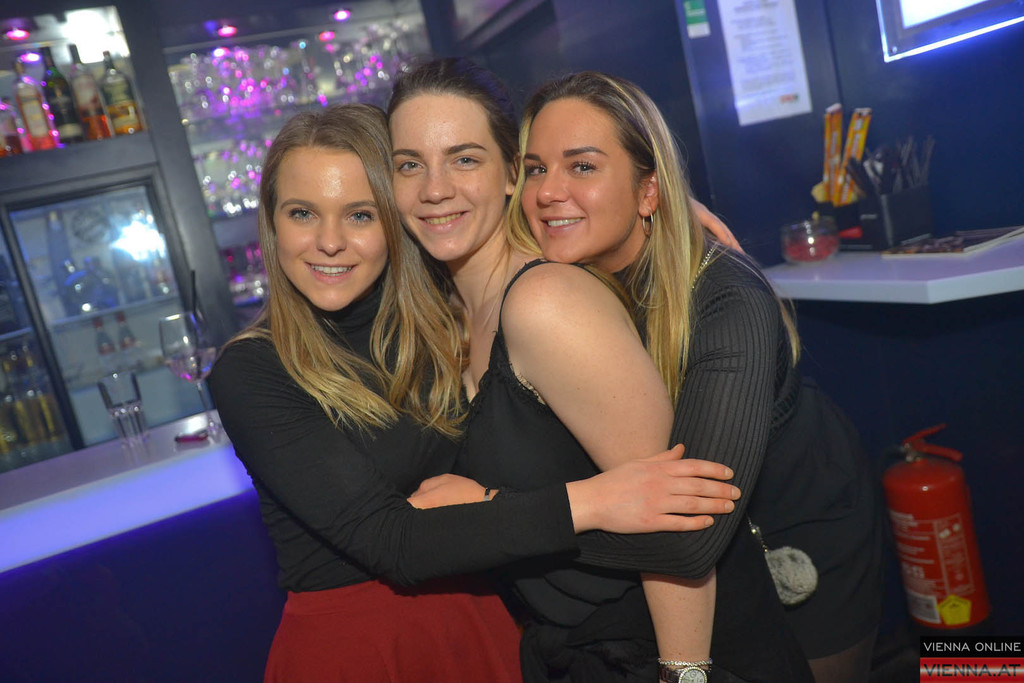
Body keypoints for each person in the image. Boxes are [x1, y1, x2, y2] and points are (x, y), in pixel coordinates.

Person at [208, 103, 742, 681]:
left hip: (488, 619)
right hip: (364, 648)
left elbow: (498, 188)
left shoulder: (438, 318)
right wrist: (596, 500)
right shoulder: (253, 369)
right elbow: (393, 541)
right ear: (271, 224)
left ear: (396, 219)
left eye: (360, 214)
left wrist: (655, 214)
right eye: (302, 213)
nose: (329, 242)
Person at [387, 57, 812, 683]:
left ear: (504, 173)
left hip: (782, 551)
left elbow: (682, 527)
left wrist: (490, 514)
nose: (434, 188)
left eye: (465, 158)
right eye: (408, 165)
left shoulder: (563, 300)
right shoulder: (462, 306)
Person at [509, 70, 885, 683]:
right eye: (535, 169)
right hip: (716, 570)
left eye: (582, 166)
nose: (548, 191)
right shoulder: (568, 276)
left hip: (803, 530)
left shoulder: (728, 297)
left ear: (648, 192)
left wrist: (496, 526)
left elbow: (691, 537)